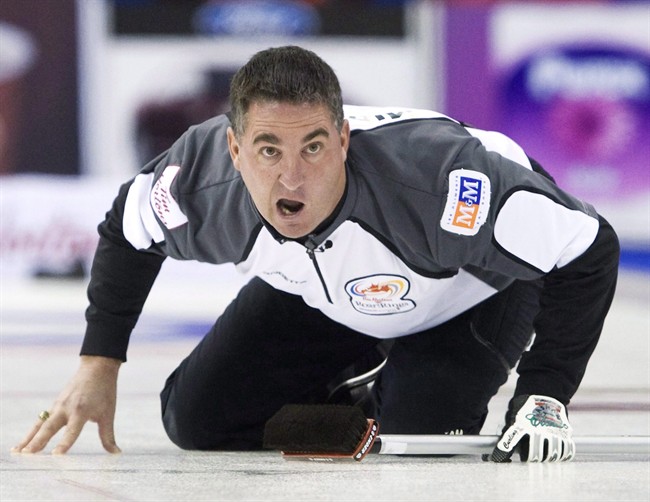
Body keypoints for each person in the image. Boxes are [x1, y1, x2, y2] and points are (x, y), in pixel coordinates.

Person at [13, 45, 619, 462]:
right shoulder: (200, 183)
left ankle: (403, 396)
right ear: (233, 149)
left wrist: (544, 397)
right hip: (322, 291)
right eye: (269, 150)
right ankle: (367, 393)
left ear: (345, 140)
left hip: (470, 291)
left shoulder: (441, 188)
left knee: (416, 443)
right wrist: (99, 363)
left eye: (313, 147)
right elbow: (126, 229)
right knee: (197, 421)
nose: (292, 179)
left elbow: (590, 248)